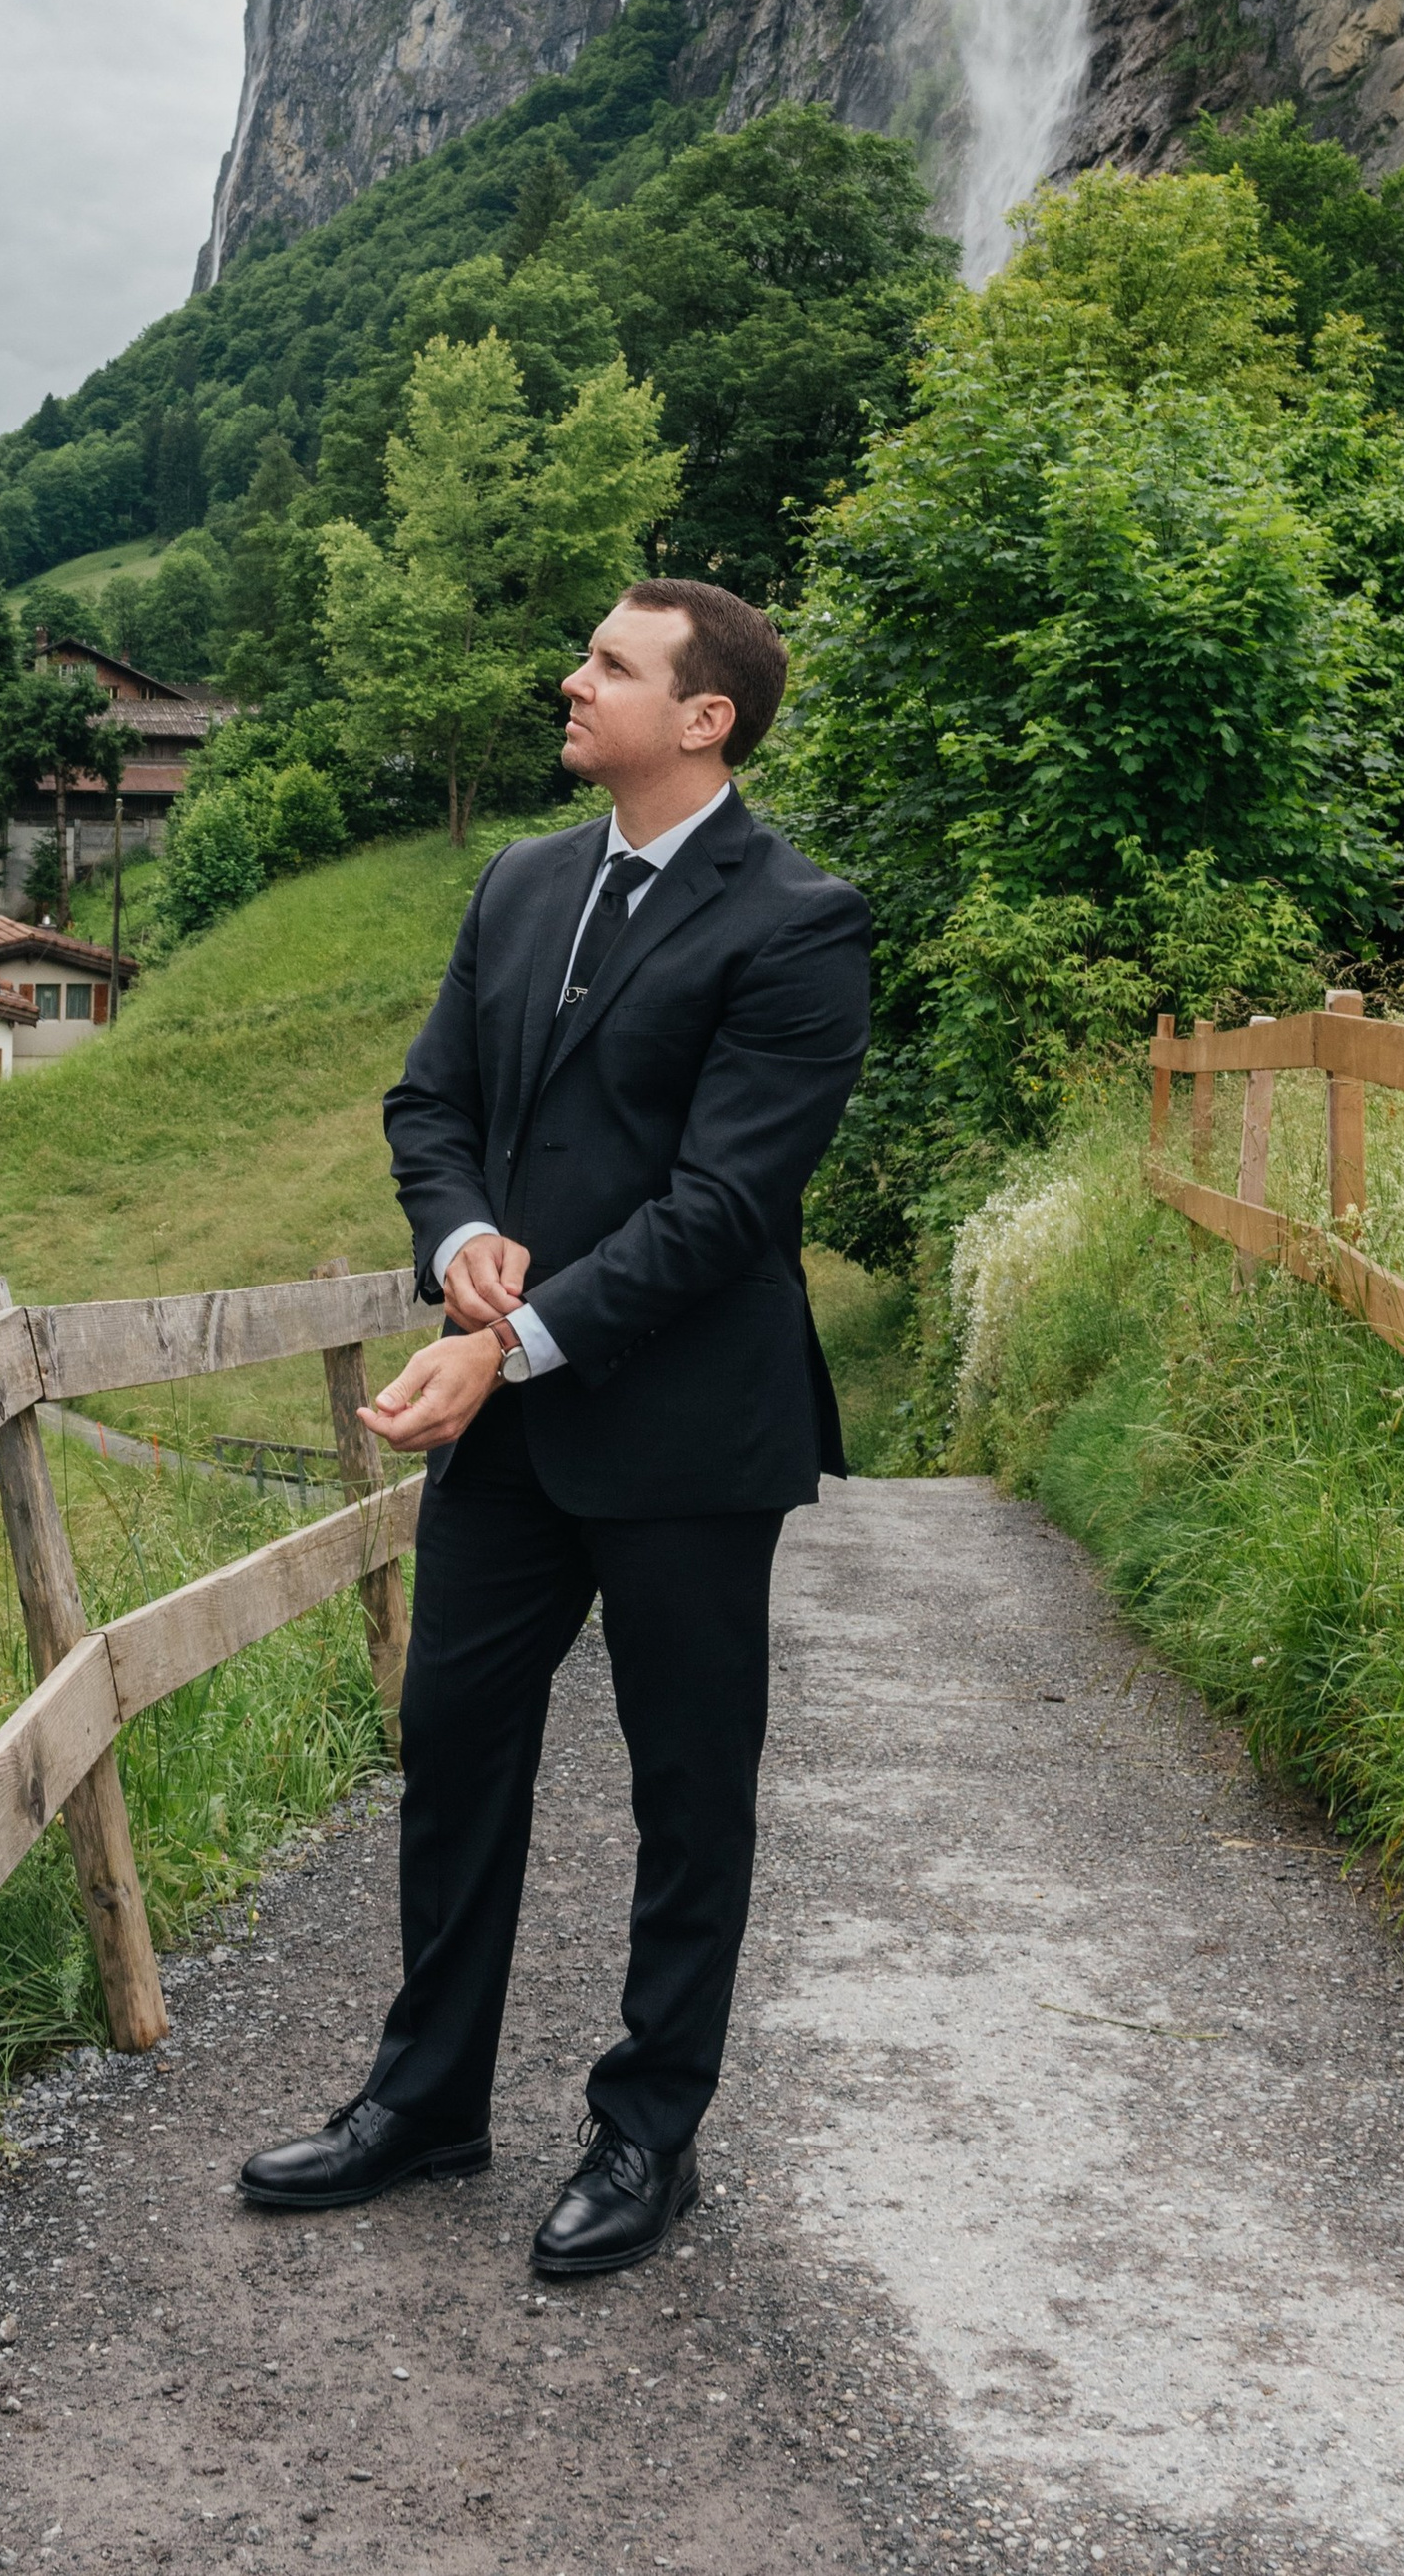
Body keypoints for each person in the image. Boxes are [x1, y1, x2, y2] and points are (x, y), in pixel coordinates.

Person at [240, 579, 871, 2276]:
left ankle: (647, 2130)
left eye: (610, 663)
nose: (571, 679)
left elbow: (726, 1202)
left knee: (687, 1792)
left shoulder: (801, 920)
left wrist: (507, 1345)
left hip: (681, 1433)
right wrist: (456, 1242)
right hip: (511, 1435)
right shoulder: (522, 880)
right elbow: (429, 1102)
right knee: (453, 1752)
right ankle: (426, 2097)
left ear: (704, 716)